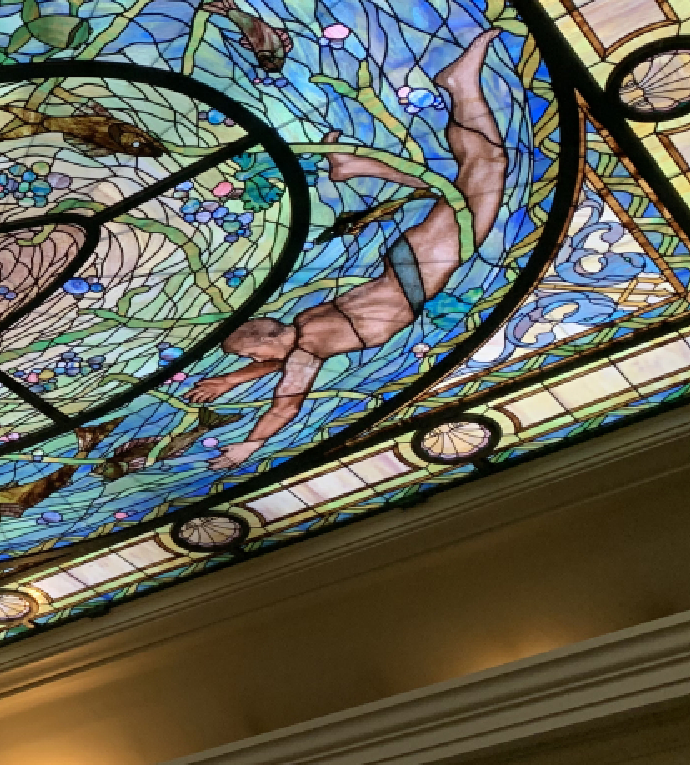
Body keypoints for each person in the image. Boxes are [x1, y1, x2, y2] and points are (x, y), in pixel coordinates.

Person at [191, 29, 507, 469]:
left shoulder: (307, 344)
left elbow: (286, 403)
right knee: (472, 178)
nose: (255, 363)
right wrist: (230, 380)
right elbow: (280, 365)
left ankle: (456, 86)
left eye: (250, 354)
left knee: (485, 168)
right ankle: (361, 163)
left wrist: (251, 445)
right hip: (411, 268)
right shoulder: (304, 339)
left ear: (267, 338)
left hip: (420, 268)